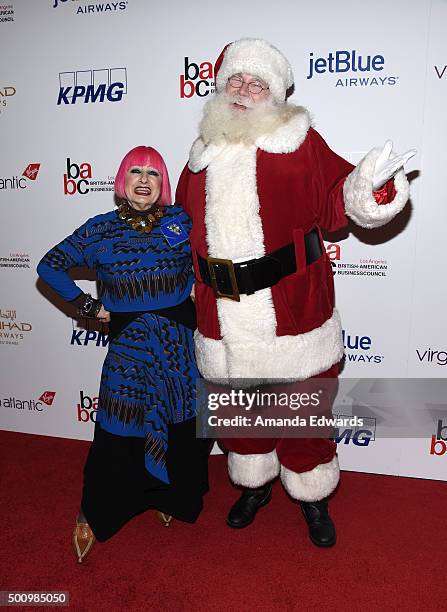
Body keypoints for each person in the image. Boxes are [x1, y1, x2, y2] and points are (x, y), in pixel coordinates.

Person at [176, 38, 415, 547]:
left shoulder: (301, 142)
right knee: (240, 416)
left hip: (292, 310)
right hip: (221, 316)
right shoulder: (200, 155)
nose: (243, 90)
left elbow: (339, 200)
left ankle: (312, 495)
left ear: (275, 95)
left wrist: (373, 189)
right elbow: (181, 228)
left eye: (256, 83)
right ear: (221, 88)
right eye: (235, 80)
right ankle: (255, 486)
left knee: (304, 415)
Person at [37, 146, 208, 562]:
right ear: (122, 180)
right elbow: (50, 266)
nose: (144, 179)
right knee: (118, 432)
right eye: (135, 171)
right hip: (129, 349)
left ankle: (170, 496)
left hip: (180, 348)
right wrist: (89, 308)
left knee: (182, 423)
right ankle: (96, 512)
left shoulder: (183, 222)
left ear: (163, 182)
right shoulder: (101, 230)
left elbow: (216, 264)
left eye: (153, 172)